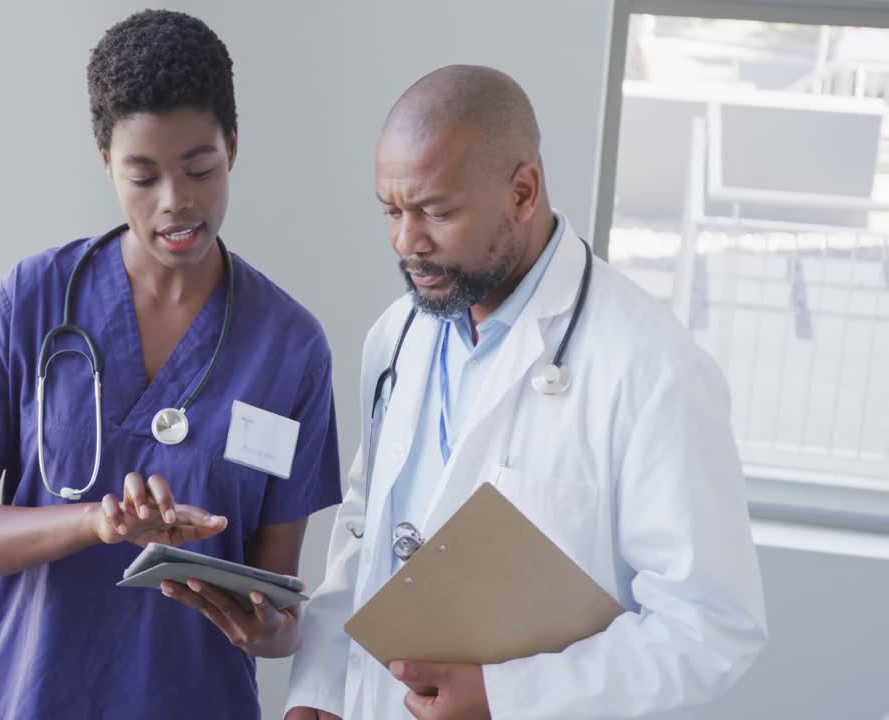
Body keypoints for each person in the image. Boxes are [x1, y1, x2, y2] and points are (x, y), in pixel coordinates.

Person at [285, 65, 767, 720]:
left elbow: (710, 627)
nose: (407, 242)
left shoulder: (653, 369)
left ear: (523, 191)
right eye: (392, 211)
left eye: (436, 211)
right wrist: (320, 687)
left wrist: (508, 697)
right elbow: (368, 526)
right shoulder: (398, 335)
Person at [0, 10, 342, 719]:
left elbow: (278, 599)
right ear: (106, 162)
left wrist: (272, 629)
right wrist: (95, 524)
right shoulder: (35, 299)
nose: (176, 202)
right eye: (142, 176)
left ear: (233, 145)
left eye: (200, 168)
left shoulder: (290, 346)